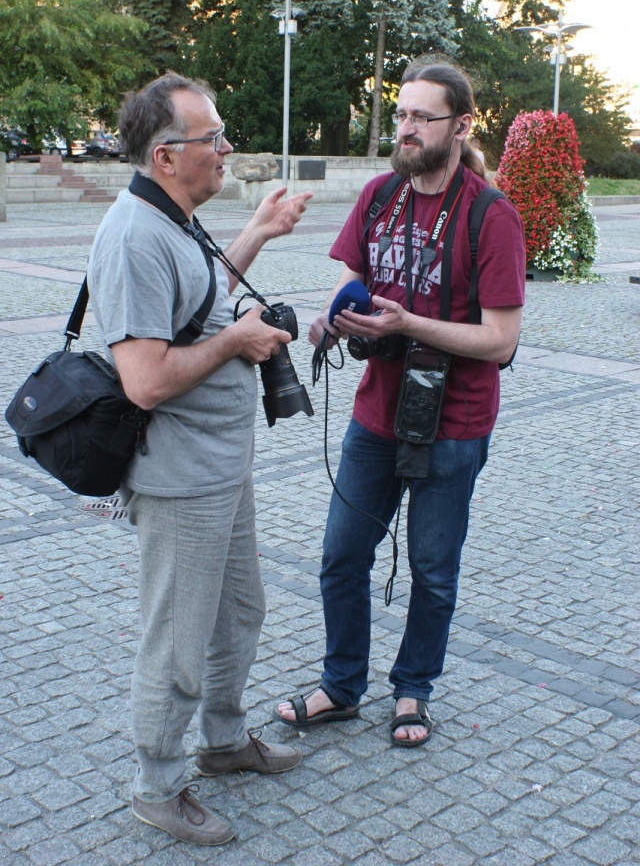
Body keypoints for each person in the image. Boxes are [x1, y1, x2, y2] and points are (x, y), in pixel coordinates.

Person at [87, 72, 313, 845]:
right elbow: (145, 379)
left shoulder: (173, 216)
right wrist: (239, 341)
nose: (225, 148)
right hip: (179, 476)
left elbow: (196, 300)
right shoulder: (134, 235)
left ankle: (222, 742)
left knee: (238, 611)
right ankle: (156, 785)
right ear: (164, 156)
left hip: (219, 465)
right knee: (178, 635)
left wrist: (256, 231)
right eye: (210, 137)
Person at [275, 61, 525, 747]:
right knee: (341, 555)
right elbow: (351, 281)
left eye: (422, 117)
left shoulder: (489, 215)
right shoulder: (380, 195)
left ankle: (413, 690)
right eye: (402, 115)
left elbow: (502, 341)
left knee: (433, 569)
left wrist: (408, 325)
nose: (406, 129)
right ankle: (342, 686)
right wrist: (332, 320)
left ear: (462, 125)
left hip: (456, 421)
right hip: (376, 414)